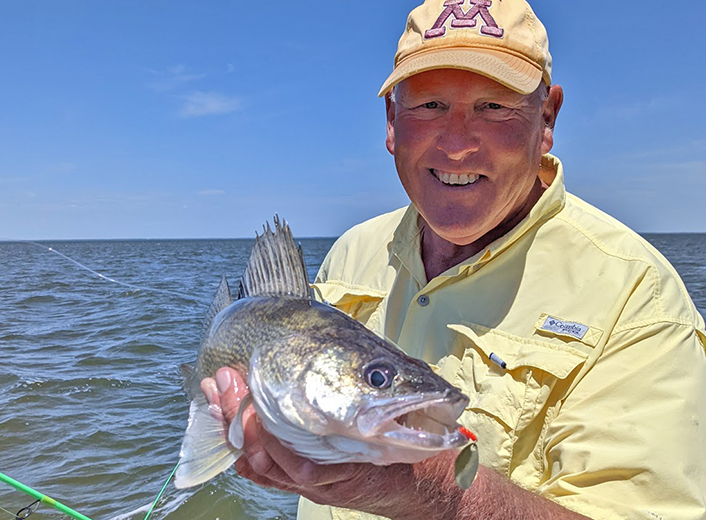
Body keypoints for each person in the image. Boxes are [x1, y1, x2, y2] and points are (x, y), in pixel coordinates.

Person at [202, 0, 706, 518]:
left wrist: (423, 490)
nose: (458, 142)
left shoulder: (639, 297)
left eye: (493, 106)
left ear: (547, 117)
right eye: (429, 105)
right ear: (392, 120)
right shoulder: (353, 250)